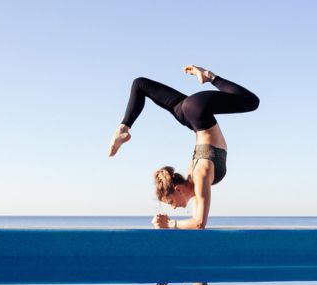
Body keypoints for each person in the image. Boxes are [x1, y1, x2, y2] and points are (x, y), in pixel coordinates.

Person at [108, 65, 259, 229]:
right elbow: (195, 218)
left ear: (178, 189)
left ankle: (210, 76)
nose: (173, 207)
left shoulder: (199, 176)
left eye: (171, 202)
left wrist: (169, 224)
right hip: (188, 114)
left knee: (252, 102)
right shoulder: (195, 181)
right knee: (140, 84)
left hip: (197, 111)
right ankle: (123, 128)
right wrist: (167, 223)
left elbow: (200, 223)